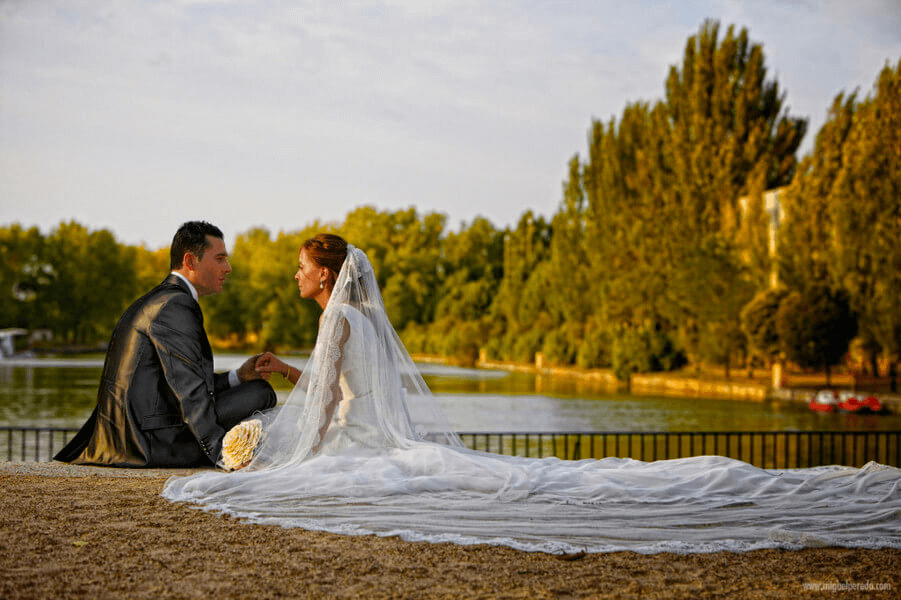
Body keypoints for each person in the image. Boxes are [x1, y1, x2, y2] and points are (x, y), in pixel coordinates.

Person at [163, 234, 901, 555]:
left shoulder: (335, 317)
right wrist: (294, 382)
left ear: (325, 278)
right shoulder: (363, 315)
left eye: (299, 269)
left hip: (360, 433)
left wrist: (298, 445)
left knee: (307, 475)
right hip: (378, 425)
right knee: (544, 476)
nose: (295, 277)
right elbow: (346, 383)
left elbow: (330, 403)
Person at [55, 221, 277, 468]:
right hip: (148, 445)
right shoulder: (175, 305)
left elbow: (183, 383)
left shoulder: (160, 299)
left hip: (131, 438)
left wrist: (238, 376)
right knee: (260, 393)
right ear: (191, 262)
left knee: (252, 386)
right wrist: (223, 457)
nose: (228, 268)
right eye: (220, 259)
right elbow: (191, 391)